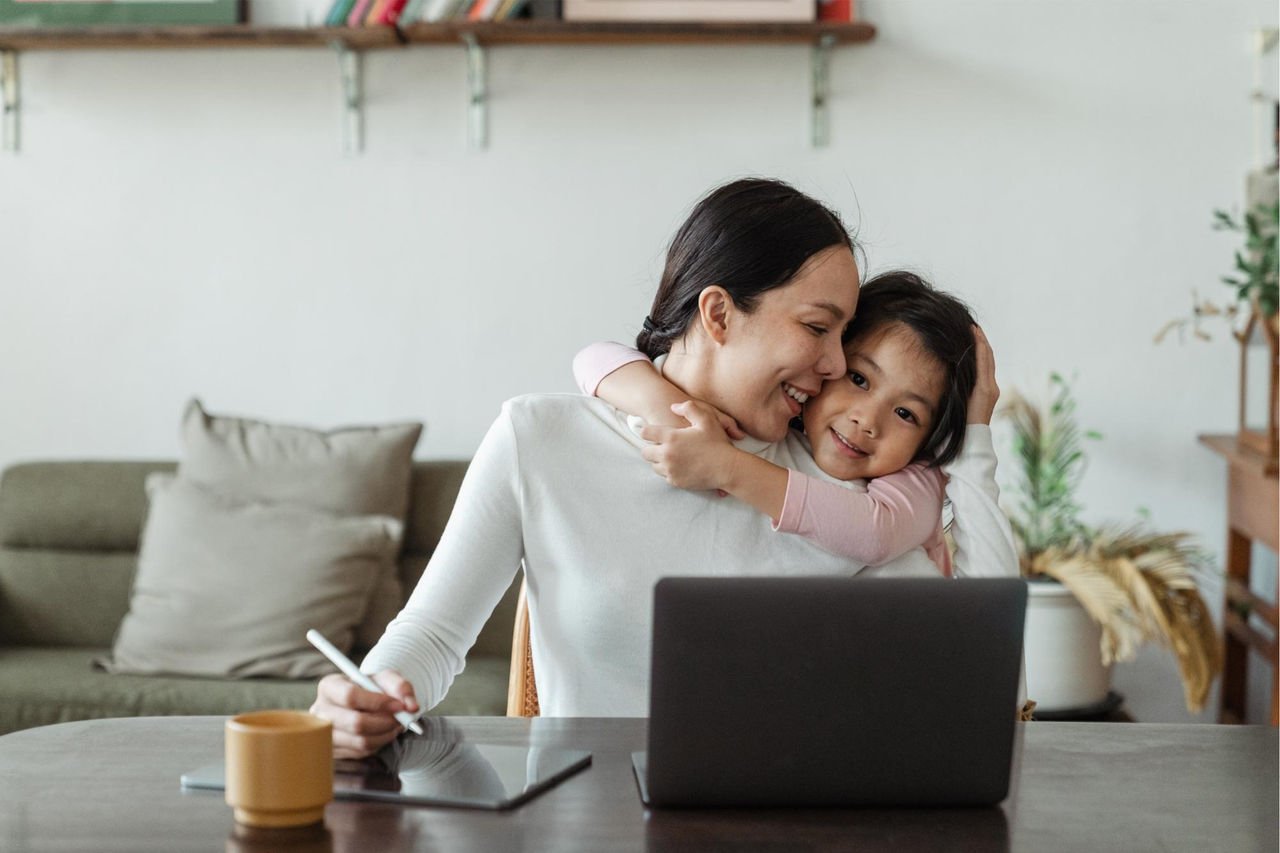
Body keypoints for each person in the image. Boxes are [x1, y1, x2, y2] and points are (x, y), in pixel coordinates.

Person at [311, 178, 1018, 758]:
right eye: (816, 327)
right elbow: (432, 636)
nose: (836, 365)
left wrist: (976, 437)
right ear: (718, 313)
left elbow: (984, 672)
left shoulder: (848, 487)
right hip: (585, 828)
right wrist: (368, 691)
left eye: (844, 336)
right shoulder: (540, 439)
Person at [572, 271, 991, 576]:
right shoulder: (782, 423)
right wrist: (669, 408)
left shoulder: (918, 477)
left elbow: (876, 533)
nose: (867, 420)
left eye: (906, 414)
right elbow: (593, 357)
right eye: (858, 379)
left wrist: (726, 467)